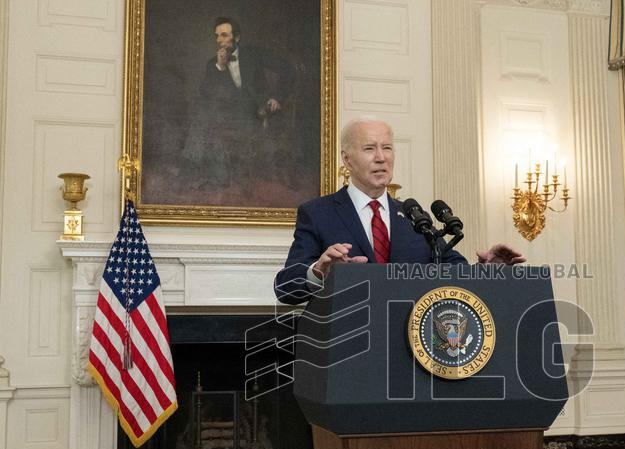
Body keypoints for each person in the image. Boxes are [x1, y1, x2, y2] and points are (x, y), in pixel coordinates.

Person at [274, 117, 526, 305]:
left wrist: (487, 270)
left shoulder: (414, 217)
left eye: (387, 148)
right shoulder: (318, 213)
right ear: (347, 159)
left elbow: (453, 270)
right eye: (369, 148)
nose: (381, 157)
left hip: (411, 349)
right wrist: (319, 271)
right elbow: (285, 287)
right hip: (351, 347)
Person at [183, 17, 292, 189]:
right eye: (217, 36)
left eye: (224, 35)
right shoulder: (213, 64)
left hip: (255, 111)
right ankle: (205, 173)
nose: (219, 40)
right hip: (227, 113)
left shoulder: (254, 54)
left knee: (206, 119)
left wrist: (277, 97)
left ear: (237, 37)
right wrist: (220, 67)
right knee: (205, 116)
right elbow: (205, 94)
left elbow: (288, 69)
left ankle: (195, 172)